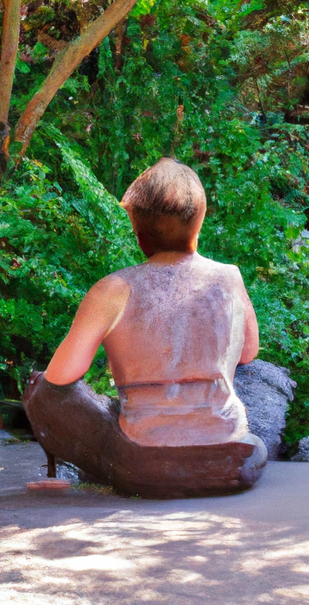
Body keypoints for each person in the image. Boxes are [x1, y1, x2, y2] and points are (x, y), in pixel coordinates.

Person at [22, 157, 267, 498]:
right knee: (254, 381)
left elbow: (60, 379)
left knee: (40, 388)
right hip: (234, 462)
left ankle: (70, 465)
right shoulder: (229, 277)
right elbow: (248, 353)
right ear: (198, 223)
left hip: (143, 466)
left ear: (137, 229)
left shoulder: (113, 289)